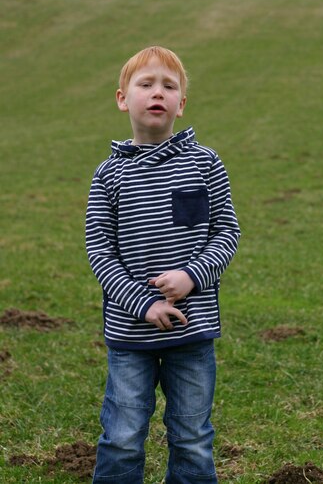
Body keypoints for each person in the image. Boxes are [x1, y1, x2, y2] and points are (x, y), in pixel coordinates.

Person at [86, 46, 240, 483]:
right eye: (146, 84)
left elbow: (227, 233)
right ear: (122, 98)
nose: (158, 93)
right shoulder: (108, 175)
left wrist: (192, 275)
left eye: (169, 86)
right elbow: (99, 250)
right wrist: (143, 305)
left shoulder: (204, 163)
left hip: (192, 331)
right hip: (129, 334)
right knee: (122, 436)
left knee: (191, 436)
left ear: (181, 103)